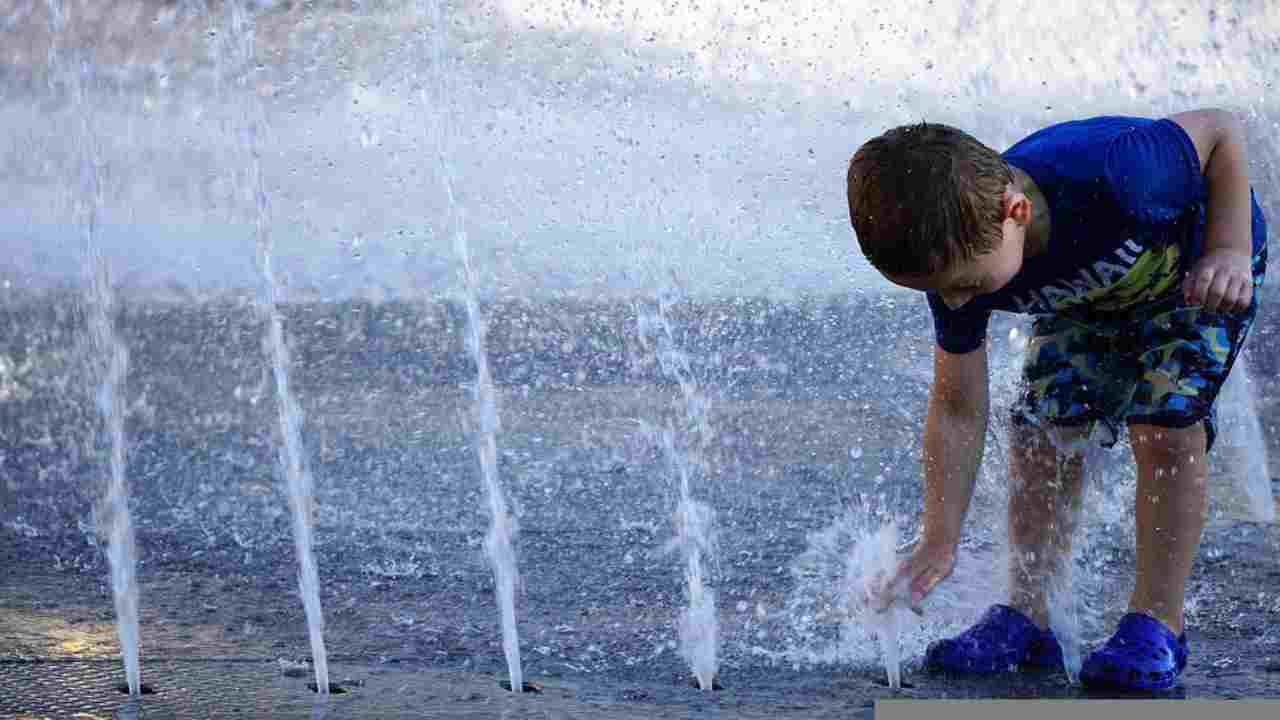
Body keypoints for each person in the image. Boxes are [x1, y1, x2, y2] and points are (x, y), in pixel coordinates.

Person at [845, 109, 1267, 690]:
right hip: (1087, 296)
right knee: (1040, 430)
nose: (957, 302)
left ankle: (1157, 623)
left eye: (967, 284)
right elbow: (957, 407)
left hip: (1192, 277)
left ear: (1015, 212)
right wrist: (939, 538)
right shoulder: (956, 258)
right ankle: (1028, 614)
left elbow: (1222, 130)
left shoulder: (1122, 174)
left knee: (1165, 429)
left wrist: (1229, 249)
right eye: (939, 290)